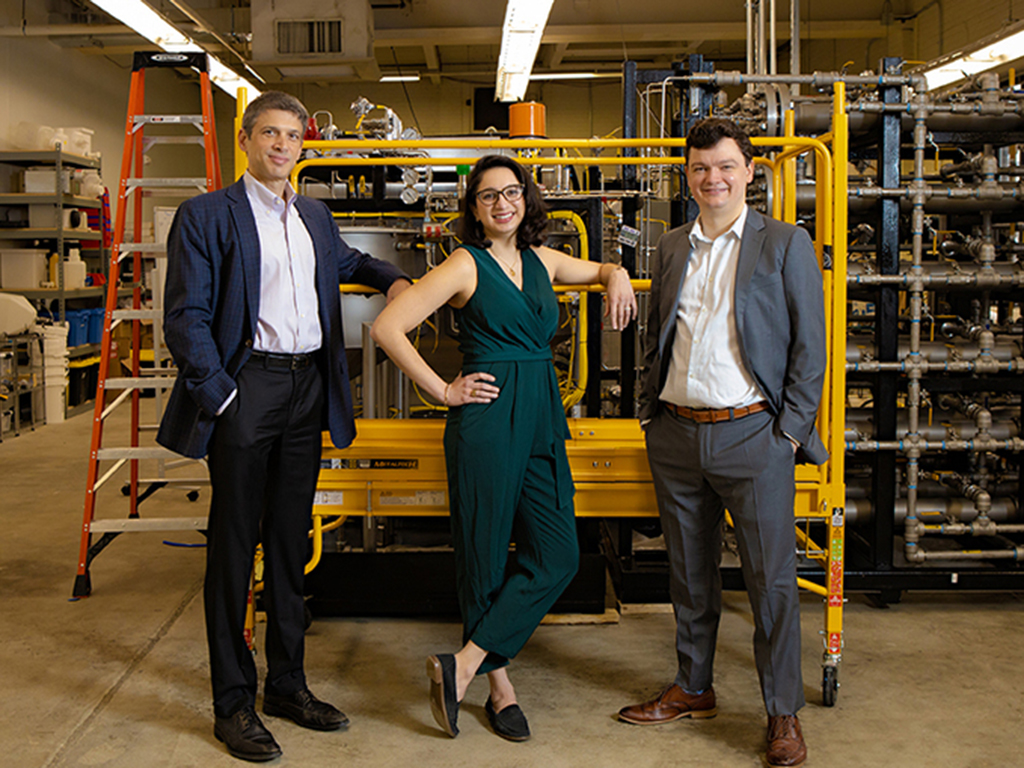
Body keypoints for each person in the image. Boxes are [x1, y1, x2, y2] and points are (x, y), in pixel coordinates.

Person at [157, 90, 410, 762]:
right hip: (249, 388)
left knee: (291, 544)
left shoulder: (316, 218)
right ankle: (233, 702)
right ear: (246, 139)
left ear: (304, 145)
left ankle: (287, 685)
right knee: (235, 550)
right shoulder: (207, 215)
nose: (281, 146)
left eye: (293, 137)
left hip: (308, 389)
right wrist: (223, 398)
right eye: (269, 133)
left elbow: (351, 264)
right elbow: (185, 317)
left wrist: (395, 279)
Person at [371, 154, 636, 742]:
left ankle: (461, 664)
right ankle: (500, 686)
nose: (501, 204)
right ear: (473, 208)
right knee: (484, 552)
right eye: (488, 196)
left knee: (557, 552)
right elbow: (386, 327)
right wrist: (442, 389)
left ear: (527, 199)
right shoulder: (465, 264)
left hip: (541, 409)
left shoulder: (544, 259)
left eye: (511, 193)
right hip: (486, 415)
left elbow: (599, 270)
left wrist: (615, 273)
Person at [617, 118, 827, 768]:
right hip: (677, 436)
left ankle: (782, 713)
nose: (714, 178)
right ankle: (694, 686)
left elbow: (810, 349)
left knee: (772, 584)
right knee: (690, 576)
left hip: (755, 436)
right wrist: (654, 417)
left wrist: (788, 434)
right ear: (688, 176)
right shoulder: (672, 244)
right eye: (702, 168)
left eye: (726, 166)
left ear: (749, 171)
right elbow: (660, 333)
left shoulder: (785, 243)